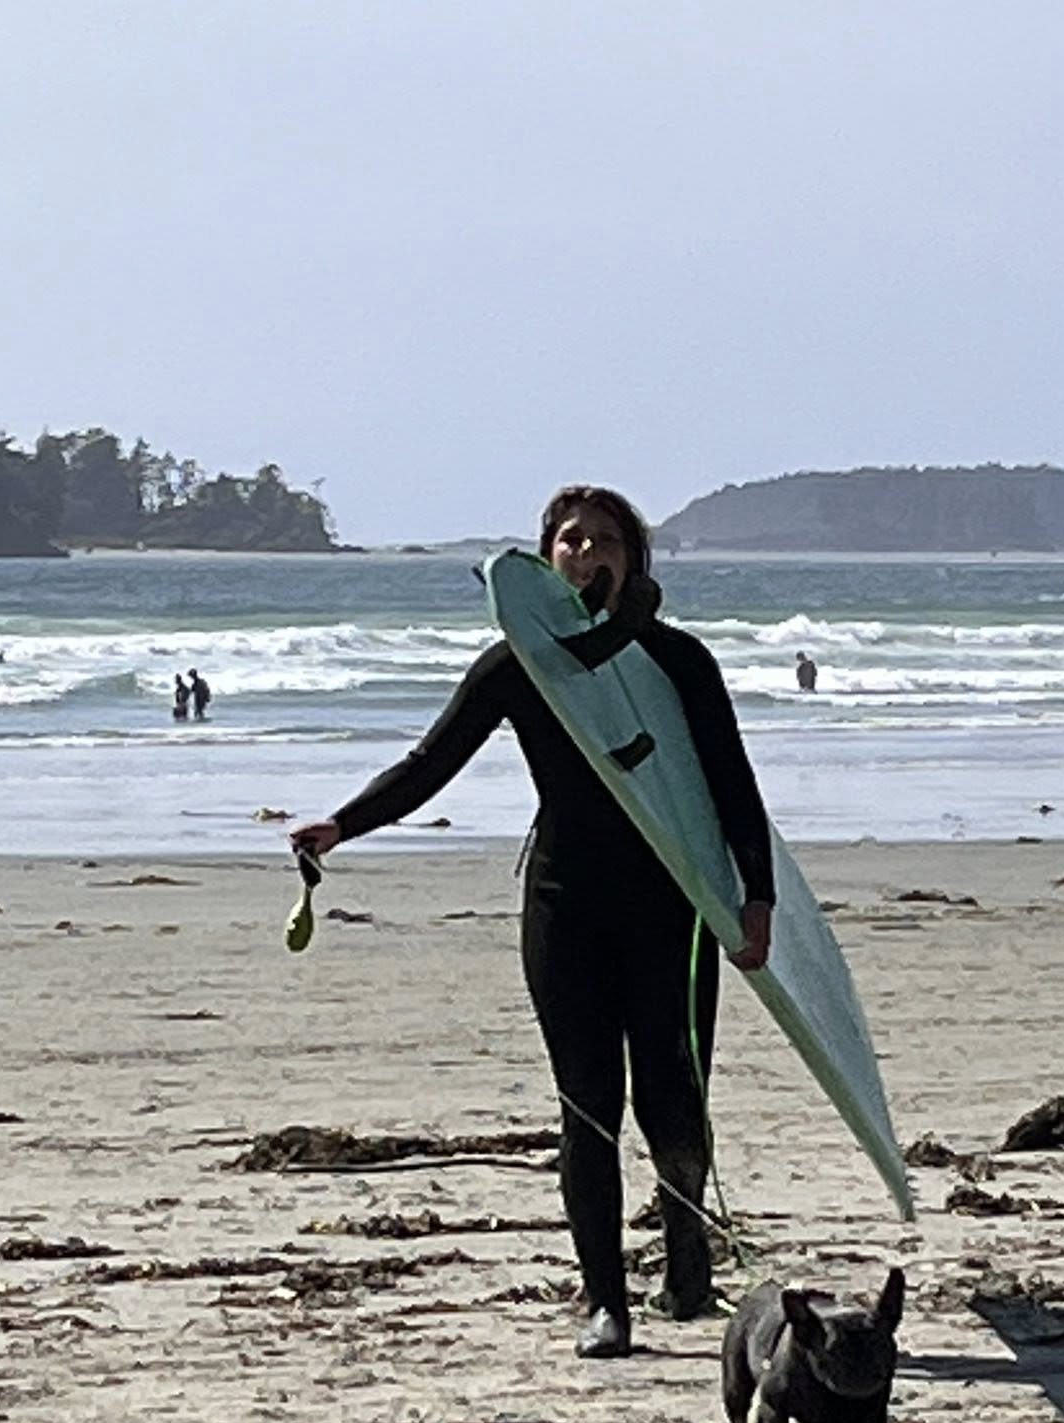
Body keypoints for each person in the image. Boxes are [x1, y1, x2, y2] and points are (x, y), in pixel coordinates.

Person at [291, 485, 774, 1360]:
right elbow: (430, 761)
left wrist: (759, 899)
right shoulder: (519, 666)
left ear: (633, 560)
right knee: (588, 1107)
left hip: (673, 910)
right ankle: (605, 1303)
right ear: (544, 557)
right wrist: (343, 824)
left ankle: (688, 1260)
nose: (585, 555)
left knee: (673, 1097)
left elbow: (735, 788)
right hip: (565, 909)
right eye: (569, 540)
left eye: (605, 542)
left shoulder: (679, 663)